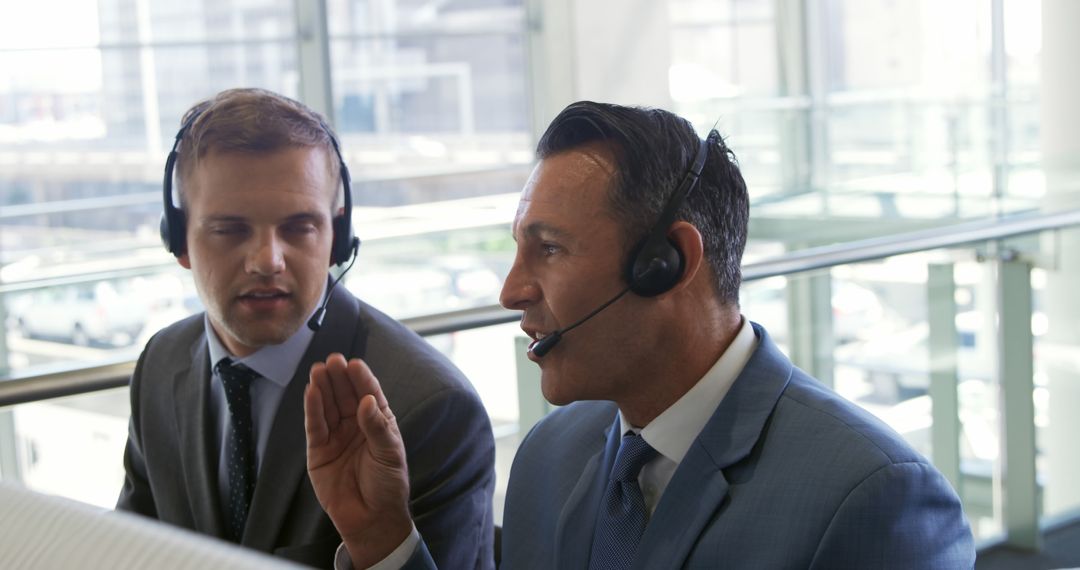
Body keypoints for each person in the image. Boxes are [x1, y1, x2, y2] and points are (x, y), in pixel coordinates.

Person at [305, 101, 976, 569]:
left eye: (549, 250)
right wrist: (385, 540)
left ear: (667, 264)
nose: (510, 290)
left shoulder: (871, 495)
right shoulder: (550, 456)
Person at [117, 88, 496, 570]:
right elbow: (129, 549)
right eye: (230, 230)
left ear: (336, 237)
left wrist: (381, 543)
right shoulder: (161, 362)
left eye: (299, 228)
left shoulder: (429, 407)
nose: (267, 261)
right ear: (179, 240)